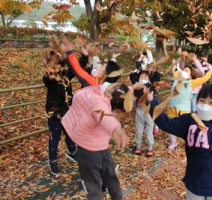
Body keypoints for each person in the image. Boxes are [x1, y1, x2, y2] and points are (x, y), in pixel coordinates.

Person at [62, 39, 137, 200]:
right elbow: (126, 92)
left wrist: (116, 129)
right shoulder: (115, 93)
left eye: (100, 66)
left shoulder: (96, 91)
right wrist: (138, 87)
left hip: (88, 147)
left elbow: (104, 116)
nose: (97, 66)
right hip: (102, 146)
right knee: (111, 179)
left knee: (93, 188)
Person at [42, 51, 77, 175]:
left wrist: (72, 55)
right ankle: (52, 161)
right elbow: (49, 80)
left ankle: (73, 152)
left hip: (67, 111)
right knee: (55, 136)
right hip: (55, 112)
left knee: (69, 132)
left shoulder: (66, 74)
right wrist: (52, 69)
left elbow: (77, 68)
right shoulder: (49, 77)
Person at [166, 64, 212, 150]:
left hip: (184, 108)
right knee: (170, 124)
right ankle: (173, 141)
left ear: (190, 75)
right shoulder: (177, 78)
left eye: (187, 71)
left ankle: (190, 140)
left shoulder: (192, 82)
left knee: (186, 126)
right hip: (172, 106)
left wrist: (210, 71)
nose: (184, 71)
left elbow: (204, 79)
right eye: (184, 70)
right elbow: (175, 71)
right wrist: (176, 65)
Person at [132, 70, 156, 156]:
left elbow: (151, 98)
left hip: (149, 112)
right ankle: (138, 146)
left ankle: (150, 147)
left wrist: (147, 91)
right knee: (139, 129)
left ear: (149, 79)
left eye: (145, 77)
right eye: (141, 76)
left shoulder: (151, 86)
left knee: (149, 130)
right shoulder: (137, 87)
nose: (143, 78)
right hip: (139, 111)